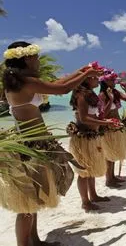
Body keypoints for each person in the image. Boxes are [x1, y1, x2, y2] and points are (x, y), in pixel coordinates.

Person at [0, 41, 101, 246]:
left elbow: (58, 83)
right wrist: (86, 73)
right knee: (28, 203)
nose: (38, 61)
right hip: (31, 144)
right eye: (36, 57)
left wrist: (81, 71)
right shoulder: (26, 83)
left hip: (35, 140)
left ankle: (35, 240)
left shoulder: (22, 81)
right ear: (27, 58)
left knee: (36, 196)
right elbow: (62, 89)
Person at [68, 71, 119, 212]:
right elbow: (84, 118)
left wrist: (109, 100)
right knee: (84, 171)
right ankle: (85, 202)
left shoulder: (91, 94)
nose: (98, 79)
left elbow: (101, 114)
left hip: (93, 136)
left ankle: (94, 195)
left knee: (91, 168)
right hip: (83, 137)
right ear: (87, 79)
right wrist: (105, 123)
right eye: (95, 77)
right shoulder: (81, 95)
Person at [99, 69, 126, 188]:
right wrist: (111, 99)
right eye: (111, 80)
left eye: (114, 79)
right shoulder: (102, 95)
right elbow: (102, 114)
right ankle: (109, 179)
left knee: (114, 153)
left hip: (117, 126)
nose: (114, 81)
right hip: (108, 127)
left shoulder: (115, 92)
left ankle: (112, 177)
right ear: (105, 82)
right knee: (109, 155)